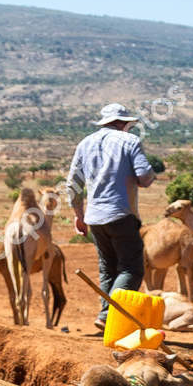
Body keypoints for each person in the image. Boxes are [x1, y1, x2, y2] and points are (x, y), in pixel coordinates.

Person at [67, 103, 158, 333]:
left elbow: (73, 185)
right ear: (124, 123)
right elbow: (145, 177)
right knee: (132, 269)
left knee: (108, 269)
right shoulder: (130, 142)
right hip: (121, 214)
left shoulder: (85, 144)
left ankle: (106, 317)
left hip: (95, 217)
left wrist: (79, 215)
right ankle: (108, 315)